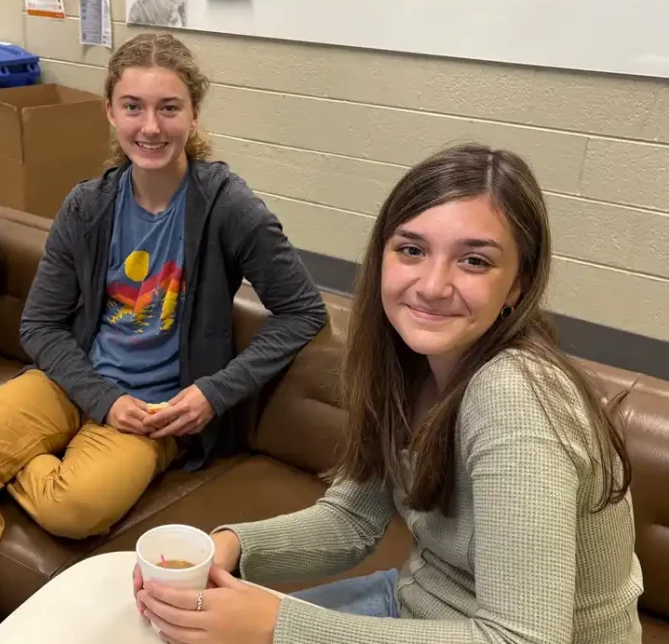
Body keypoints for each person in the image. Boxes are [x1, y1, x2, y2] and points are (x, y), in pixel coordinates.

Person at [134, 144, 643, 643]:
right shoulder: (408, 361)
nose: (432, 285)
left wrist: (278, 626)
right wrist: (230, 545)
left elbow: (524, 638)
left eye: (474, 261)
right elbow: (353, 519)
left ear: (516, 286)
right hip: (417, 608)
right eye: (412, 250)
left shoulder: (516, 399)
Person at [0, 32, 327, 644]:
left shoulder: (228, 206)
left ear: (193, 115)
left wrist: (212, 393)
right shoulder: (88, 206)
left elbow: (303, 311)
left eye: (168, 107)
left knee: (73, 508)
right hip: (72, 382)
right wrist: (100, 397)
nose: (150, 126)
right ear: (110, 112)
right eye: (133, 106)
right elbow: (41, 325)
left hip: (156, 413)